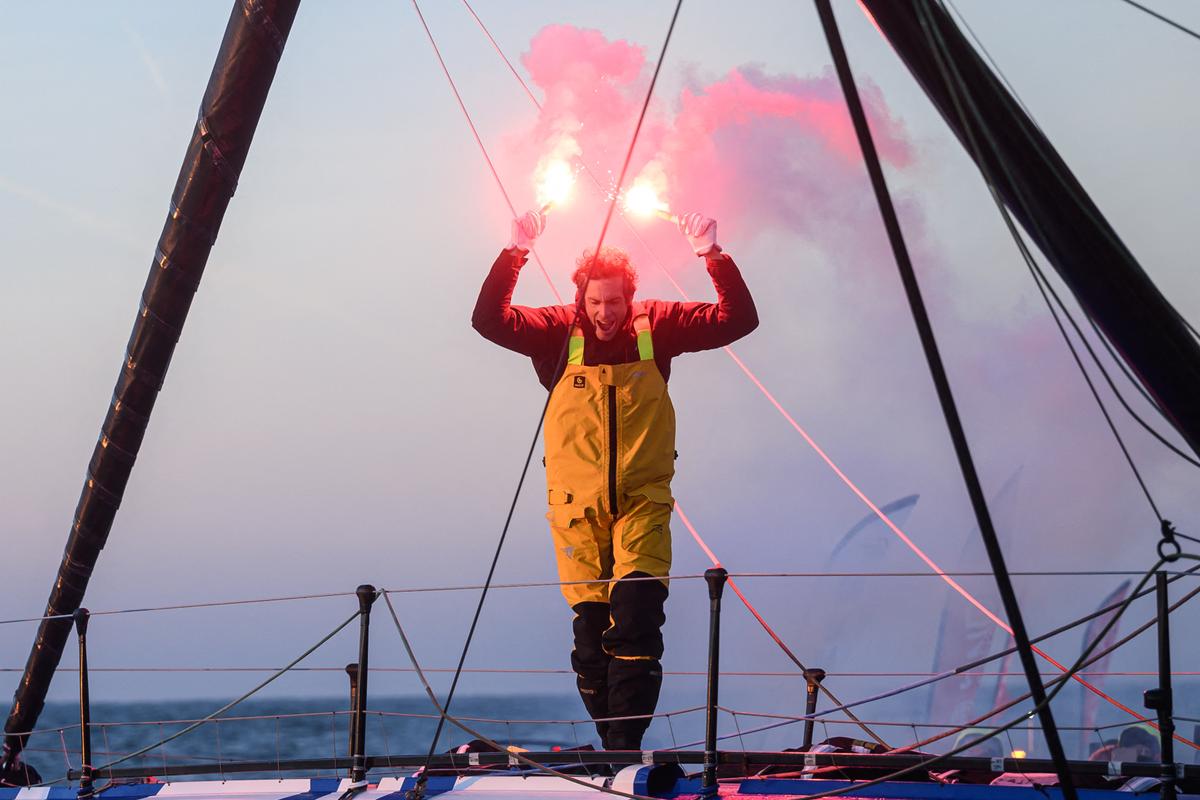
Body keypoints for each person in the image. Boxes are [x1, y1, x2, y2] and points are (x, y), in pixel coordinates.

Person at [472, 209, 758, 750]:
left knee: (638, 620)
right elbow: (489, 321)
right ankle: (612, 751)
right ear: (581, 298)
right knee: (590, 641)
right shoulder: (557, 331)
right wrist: (515, 253)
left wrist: (711, 255)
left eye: (615, 302)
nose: (605, 314)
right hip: (576, 510)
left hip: (642, 504)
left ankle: (624, 752)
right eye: (595, 303)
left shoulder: (658, 326)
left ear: (631, 297)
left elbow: (737, 320)